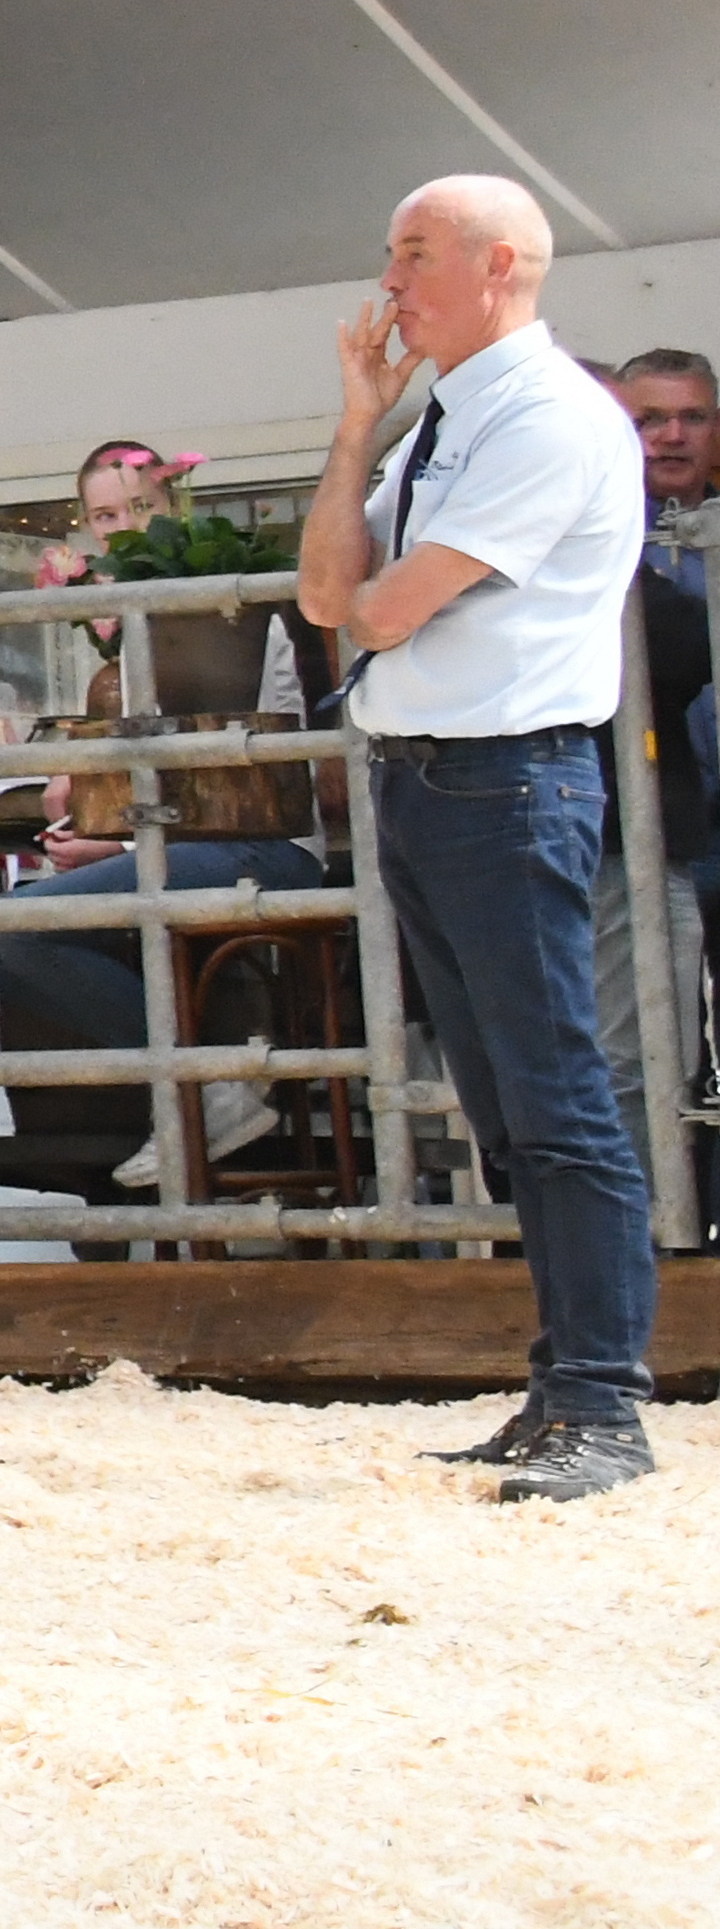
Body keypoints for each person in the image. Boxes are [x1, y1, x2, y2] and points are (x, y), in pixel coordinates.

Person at [296, 180, 654, 1502]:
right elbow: (323, 591)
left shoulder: (549, 417)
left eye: (409, 255)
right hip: (431, 777)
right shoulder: (431, 426)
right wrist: (352, 429)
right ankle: (561, 1382)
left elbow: (379, 609)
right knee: (509, 1108)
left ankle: (601, 1401)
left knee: (553, 1096)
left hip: (506, 777)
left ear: (498, 264)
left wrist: (362, 584)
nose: (386, 282)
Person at [0, 439, 332, 1189]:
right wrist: (101, 824)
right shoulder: (131, 619)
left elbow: (230, 777)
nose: (123, 525)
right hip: (186, 846)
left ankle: (203, 1085)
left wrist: (115, 843)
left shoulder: (229, 601)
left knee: (9, 933)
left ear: (171, 505)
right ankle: (200, 1088)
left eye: (139, 507)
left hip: (263, 844)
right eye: (103, 513)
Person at [598, 351, 715, 1148]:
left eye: (692, 417)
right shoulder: (595, 532)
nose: (669, 436)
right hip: (655, 833)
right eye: (648, 418)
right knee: (654, 1052)